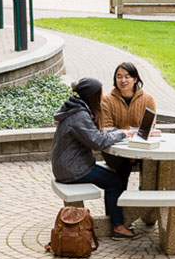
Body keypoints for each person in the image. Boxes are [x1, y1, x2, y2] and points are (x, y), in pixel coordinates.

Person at [52, 78, 138, 240]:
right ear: (91, 96)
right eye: (100, 94)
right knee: (115, 181)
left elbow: (95, 133)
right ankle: (118, 226)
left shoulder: (76, 108)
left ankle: (113, 218)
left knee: (115, 175)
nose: (103, 97)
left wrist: (118, 131)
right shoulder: (79, 115)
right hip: (72, 169)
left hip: (67, 165)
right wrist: (121, 134)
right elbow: (98, 142)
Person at [100, 62, 156, 189]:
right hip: (115, 149)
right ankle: (119, 204)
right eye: (119, 76)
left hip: (140, 146)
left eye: (127, 76)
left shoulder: (148, 100)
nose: (123, 80)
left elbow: (150, 128)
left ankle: (147, 200)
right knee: (122, 168)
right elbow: (107, 129)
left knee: (153, 163)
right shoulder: (107, 100)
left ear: (135, 79)